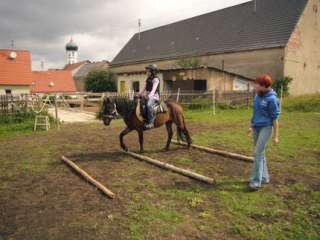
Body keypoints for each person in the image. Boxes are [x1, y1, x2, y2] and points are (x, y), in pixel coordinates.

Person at [247, 74, 280, 191]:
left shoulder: (272, 99)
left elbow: (275, 119)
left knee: (257, 153)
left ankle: (256, 181)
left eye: (257, 84)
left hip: (266, 127)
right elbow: (255, 112)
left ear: (264, 86)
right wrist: (250, 125)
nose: (255, 86)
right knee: (260, 153)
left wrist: (276, 136)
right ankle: (264, 177)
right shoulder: (257, 96)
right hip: (256, 127)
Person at [138, 64, 160, 129]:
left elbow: (154, 89)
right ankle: (144, 118)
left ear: (152, 72)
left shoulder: (156, 79)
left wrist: (149, 96)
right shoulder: (148, 79)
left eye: (148, 71)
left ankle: (151, 122)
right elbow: (144, 88)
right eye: (147, 71)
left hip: (154, 96)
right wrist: (139, 94)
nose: (146, 72)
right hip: (147, 95)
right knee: (140, 104)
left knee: (149, 105)